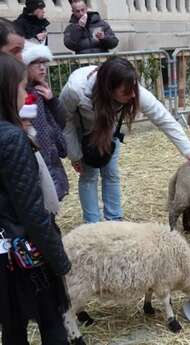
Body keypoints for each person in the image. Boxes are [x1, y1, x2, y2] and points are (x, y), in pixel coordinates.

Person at [60, 57, 190, 223]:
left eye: (133, 89)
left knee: (111, 173)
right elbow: (65, 120)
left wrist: (189, 151)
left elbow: (163, 118)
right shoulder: (75, 90)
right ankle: (92, 225)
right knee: (89, 175)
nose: (132, 96)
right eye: (125, 92)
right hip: (84, 134)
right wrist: (75, 154)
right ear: (109, 89)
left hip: (110, 131)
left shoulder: (133, 91)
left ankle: (115, 220)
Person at [0, 52, 71, 344]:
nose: (24, 94)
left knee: (12, 327)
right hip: (24, 255)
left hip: (4, 253)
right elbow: (31, 211)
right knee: (51, 321)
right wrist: (60, 260)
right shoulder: (11, 139)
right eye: (21, 87)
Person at [22, 41, 69, 202]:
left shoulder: (42, 91)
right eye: (36, 63)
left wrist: (52, 100)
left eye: (44, 63)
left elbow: (61, 122)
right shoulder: (21, 95)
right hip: (35, 159)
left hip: (50, 155)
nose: (42, 68)